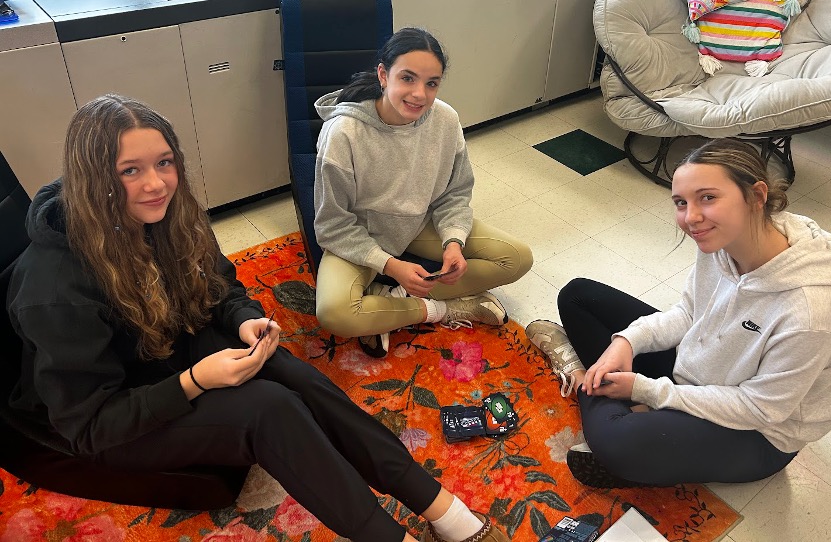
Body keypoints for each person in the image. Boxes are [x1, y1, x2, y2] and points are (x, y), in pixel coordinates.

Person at [5, 94, 507, 542]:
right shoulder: (54, 289)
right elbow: (88, 427)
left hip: (161, 346)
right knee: (267, 408)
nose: (156, 184)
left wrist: (244, 317)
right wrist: (196, 380)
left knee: (292, 374)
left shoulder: (165, 214)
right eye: (129, 171)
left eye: (164, 162)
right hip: (110, 414)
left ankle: (436, 504)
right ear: (95, 179)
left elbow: (218, 282)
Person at [525, 138, 831, 487]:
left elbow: (761, 408)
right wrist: (626, 342)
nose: (691, 218)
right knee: (578, 296)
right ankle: (609, 401)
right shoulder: (722, 241)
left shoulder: (811, 312)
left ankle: (582, 380)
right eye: (681, 202)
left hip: (759, 433)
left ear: (757, 197)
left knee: (619, 443)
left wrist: (647, 390)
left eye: (708, 198)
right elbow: (688, 313)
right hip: (699, 369)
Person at [313, 27, 533, 357]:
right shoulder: (343, 134)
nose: (420, 94)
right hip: (361, 235)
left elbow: (455, 192)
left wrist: (454, 241)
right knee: (333, 313)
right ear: (384, 75)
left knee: (517, 258)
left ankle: (390, 302)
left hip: (418, 223)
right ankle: (445, 310)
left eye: (431, 83)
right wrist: (389, 265)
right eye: (408, 78)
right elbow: (332, 225)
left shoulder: (445, 119)